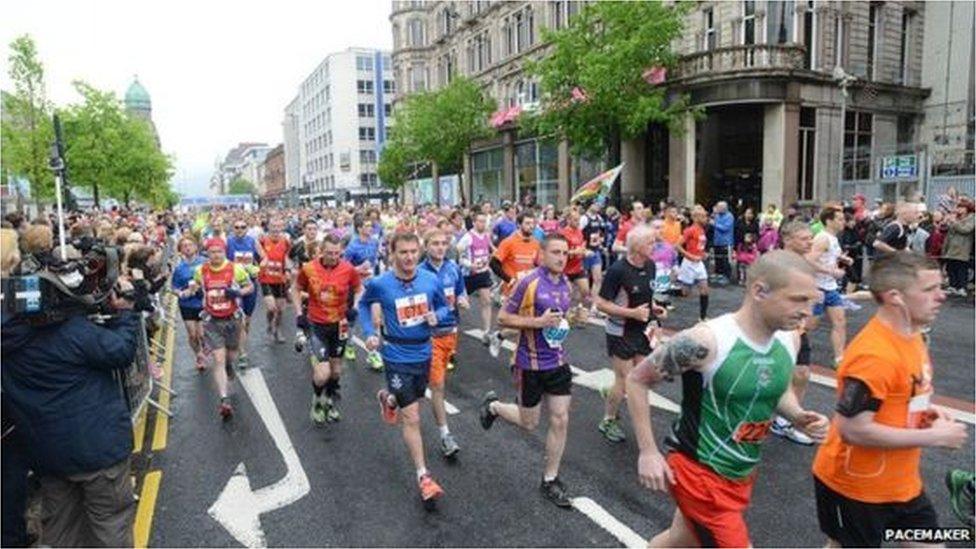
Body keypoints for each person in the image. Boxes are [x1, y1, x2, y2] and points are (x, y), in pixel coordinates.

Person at [626, 250, 828, 548]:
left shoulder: (790, 338)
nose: (806, 312)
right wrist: (648, 452)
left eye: (811, 301)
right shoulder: (705, 341)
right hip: (698, 472)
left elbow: (777, 388)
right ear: (759, 290)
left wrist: (797, 415)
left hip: (740, 471)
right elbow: (637, 380)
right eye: (798, 299)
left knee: (680, 540)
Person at [812, 252, 967, 547]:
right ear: (895, 297)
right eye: (929, 290)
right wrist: (934, 437)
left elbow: (902, 392)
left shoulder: (913, 333)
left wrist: (928, 413)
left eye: (940, 286)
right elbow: (853, 429)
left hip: (902, 485)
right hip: (855, 488)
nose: (942, 296)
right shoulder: (874, 355)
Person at [2, 261, 142, 547]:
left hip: (48, 455)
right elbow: (120, 351)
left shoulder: (9, 341)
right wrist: (125, 314)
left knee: (62, 530)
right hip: (98, 450)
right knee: (110, 525)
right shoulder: (72, 332)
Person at [479, 234, 576, 508]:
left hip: (557, 361)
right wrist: (538, 321)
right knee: (529, 422)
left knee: (560, 419)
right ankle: (495, 406)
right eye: (555, 252)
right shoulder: (527, 282)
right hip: (530, 363)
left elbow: (559, 320)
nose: (561, 257)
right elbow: (504, 318)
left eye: (565, 252)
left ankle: (550, 479)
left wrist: (573, 318)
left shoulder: (566, 284)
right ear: (542, 255)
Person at [358, 232, 452, 507]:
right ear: (392, 254)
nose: (409, 257)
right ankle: (424, 476)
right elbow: (363, 305)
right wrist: (368, 332)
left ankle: (387, 398)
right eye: (403, 252)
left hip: (424, 351)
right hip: (395, 353)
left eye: (413, 252)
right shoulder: (381, 283)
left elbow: (445, 309)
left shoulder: (429, 280)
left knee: (410, 400)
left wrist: (438, 316)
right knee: (412, 417)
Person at [594, 225, 664, 443]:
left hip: (643, 330)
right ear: (636, 246)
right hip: (620, 331)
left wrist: (655, 308)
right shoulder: (617, 270)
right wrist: (631, 313)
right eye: (650, 242)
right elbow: (601, 304)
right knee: (624, 381)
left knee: (642, 378)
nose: (655, 246)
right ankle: (607, 420)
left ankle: (616, 396)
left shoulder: (651, 265)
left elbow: (647, 296)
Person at [293, 234, 361, 425]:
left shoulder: (348, 269)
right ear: (321, 250)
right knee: (323, 373)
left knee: (336, 372)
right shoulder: (309, 268)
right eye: (329, 253)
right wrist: (299, 314)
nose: (333, 257)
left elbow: (359, 289)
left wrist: (354, 306)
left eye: (337, 253)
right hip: (317, 324)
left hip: (339, 324)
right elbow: (295, 289)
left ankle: (328, 402)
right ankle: (316, 401)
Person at [185, 238, 255, 418]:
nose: (216, 255)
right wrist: (191, 289)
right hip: (212, 320)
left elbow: (250, 287)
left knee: (230, 355)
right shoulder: (201, 270)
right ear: (206, 253)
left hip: (232, 319)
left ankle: (230, 365)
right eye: (212, 252)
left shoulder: (235, 268)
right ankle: (224, 399)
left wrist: (238, 292)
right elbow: (195, 284)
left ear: (224, 252)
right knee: (218, 359)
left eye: (219, 251)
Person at [420, 229, 469, 457]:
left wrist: (463, 299)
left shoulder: (453, 268)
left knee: (427, 383)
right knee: (438, 386)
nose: (440, 247)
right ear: (426, 246)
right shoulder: (419, 273)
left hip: (451, 333)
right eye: (435, 243)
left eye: (443, 243)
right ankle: (445, 435)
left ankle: (394, 396)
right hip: (430, 336)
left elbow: (461, 292)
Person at [488, 212, 541, 357]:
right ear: (519, 224)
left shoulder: (536, 243)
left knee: (526, 325)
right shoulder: (509, 242)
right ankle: (502, 340)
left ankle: (501, 339)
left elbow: (537, 264)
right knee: (523, 326)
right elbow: (493, 263)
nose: (531, 227)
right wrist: (509, 279)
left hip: (530, 290)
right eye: (527, 223)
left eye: (532, 224)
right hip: (512, 290)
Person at [805, 207, 853, 367]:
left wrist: (843, 258)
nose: (843, 222)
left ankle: (839, 359)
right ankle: (786, 342)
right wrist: (831, 271)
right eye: (839, 219)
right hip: (818, 287)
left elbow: (830, 254)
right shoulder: (822, 238)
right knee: (810, 325)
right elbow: (809, 261)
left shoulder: (833, 238)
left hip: (831, 287)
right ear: (829, 221)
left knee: (840, 321)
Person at [343, 219, 381, 362]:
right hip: (355, 286)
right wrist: (359, 268)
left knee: (376, 320)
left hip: (371, 284)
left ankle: (372, 353)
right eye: (366, 225)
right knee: (352, 318)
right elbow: (344, 268)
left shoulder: (374, 242)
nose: (370, 228)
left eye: (371, 225)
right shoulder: (352, 247)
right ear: (359, 229)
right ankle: (350, 345)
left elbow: (375, 262)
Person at [456, 212, 496, 346]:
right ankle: (453, 327)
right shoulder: (467, 237)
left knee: (486, 301)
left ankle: (486, 331)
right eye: (479, 221)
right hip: (468, 275)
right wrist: (470, 264)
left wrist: (493, 254)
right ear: (474, 223)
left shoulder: (486, 235)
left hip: (482, 273)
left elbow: (490, 249)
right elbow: (459, 257)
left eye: (484, 221)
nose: (482, 224)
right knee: (462, 304)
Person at [226, 220, 261, 367]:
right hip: (234, 285)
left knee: (246, 319)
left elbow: (263, 258)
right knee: (238, 319)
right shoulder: (228, 242)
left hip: (250, 284)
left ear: (247, 228)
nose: (239, 229)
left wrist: (257, 269)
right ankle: (242, 352)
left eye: (243, 227)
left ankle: (241, 340)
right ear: (232, 228)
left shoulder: (252, 241)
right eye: (236, 227)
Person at [172, 236, 207, 371]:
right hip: (187, 304)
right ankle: (198, 355)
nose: (187, 247)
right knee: (192, 334)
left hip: (202, 302)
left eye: (190, 244)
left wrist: (200, 286)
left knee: (202, 334)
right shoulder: (179, 268)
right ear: (180, 250)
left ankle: (204, 349)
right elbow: (174, 287)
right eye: (184, 245)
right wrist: (181, 293)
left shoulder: (204, 262)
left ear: (196, 247)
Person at [256, 219, 292, 343]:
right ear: (269, 227)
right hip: (266, 278)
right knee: (271, 308)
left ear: (282, 227)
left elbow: (287, 257)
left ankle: (277, 329)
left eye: (278, 226)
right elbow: (256, 256)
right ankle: (269, 325)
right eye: (273, 226)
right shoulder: (262, 240)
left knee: (281, 309)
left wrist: (287, 270)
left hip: (280, 279)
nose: (276, 229)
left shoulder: (286, 241)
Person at [676, 205, 710, 322]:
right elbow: (678, 246)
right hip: (689, 263)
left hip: (699, 263)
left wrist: (703, 253)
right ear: (696, 218)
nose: (706, 218)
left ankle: (703, 317)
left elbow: (699, 246)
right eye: (703, 216)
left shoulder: (702, 230)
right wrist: (690, 256)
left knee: (704, 289)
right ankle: (663, 292)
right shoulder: (690, 230)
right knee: (685, 292)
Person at [942, 197, 974, 296]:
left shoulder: (972, 218)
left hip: (963, 247)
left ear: (967, 208)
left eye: (961, 207)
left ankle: (962, 287)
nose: (958, 210)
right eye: (958, 207)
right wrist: (946, 222)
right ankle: (953, 286)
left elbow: (966, 229)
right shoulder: (955, 217)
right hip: (951, 246)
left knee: (961, 267)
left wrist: (954, 222)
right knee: (951, 267)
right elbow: (945, 229)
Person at [710, 201, 735, 283]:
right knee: (718, 259)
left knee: (726, 260)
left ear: (724, 208)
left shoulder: (729, 216)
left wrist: (715, 224)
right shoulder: (716, 216)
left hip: (726, 242)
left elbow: (725, 228)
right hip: (717, 241)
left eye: (719, 207)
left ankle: (727, 276)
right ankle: (719, 275)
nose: (717, 209)